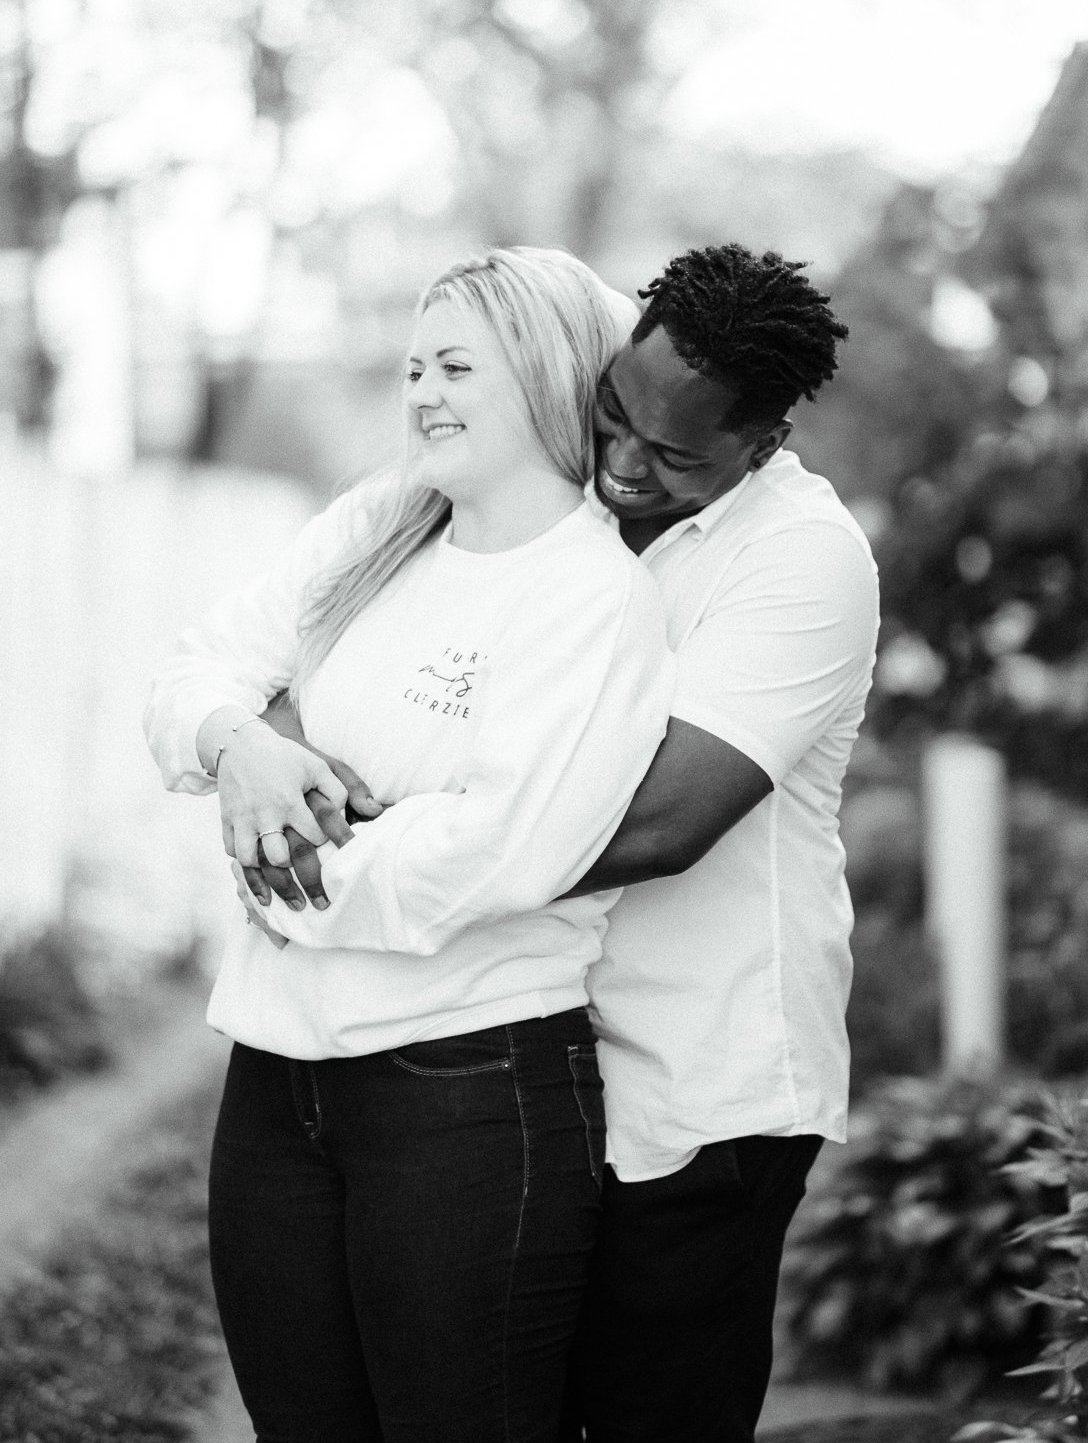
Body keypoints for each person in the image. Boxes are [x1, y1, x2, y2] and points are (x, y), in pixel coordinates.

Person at [247, 242, 879, 1443]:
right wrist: (287, 757)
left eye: (675, 456)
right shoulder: (549, 503)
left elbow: (660, 822)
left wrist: (357, 852)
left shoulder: (800, 561)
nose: (625, 470)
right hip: (533, 1060)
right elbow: (329, 659)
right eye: (612, 420)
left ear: (768, 441)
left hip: (699, 1089)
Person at [143, 246, 674, 1443]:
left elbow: (496, 855)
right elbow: (192, 671)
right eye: (410, 368)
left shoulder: (591, 596)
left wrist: (277, 865)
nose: (420, 392)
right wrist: (248, 753)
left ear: (543, 375)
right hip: (275, 1088)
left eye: (452, 366)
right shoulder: (378, 525)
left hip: (467, 1101)